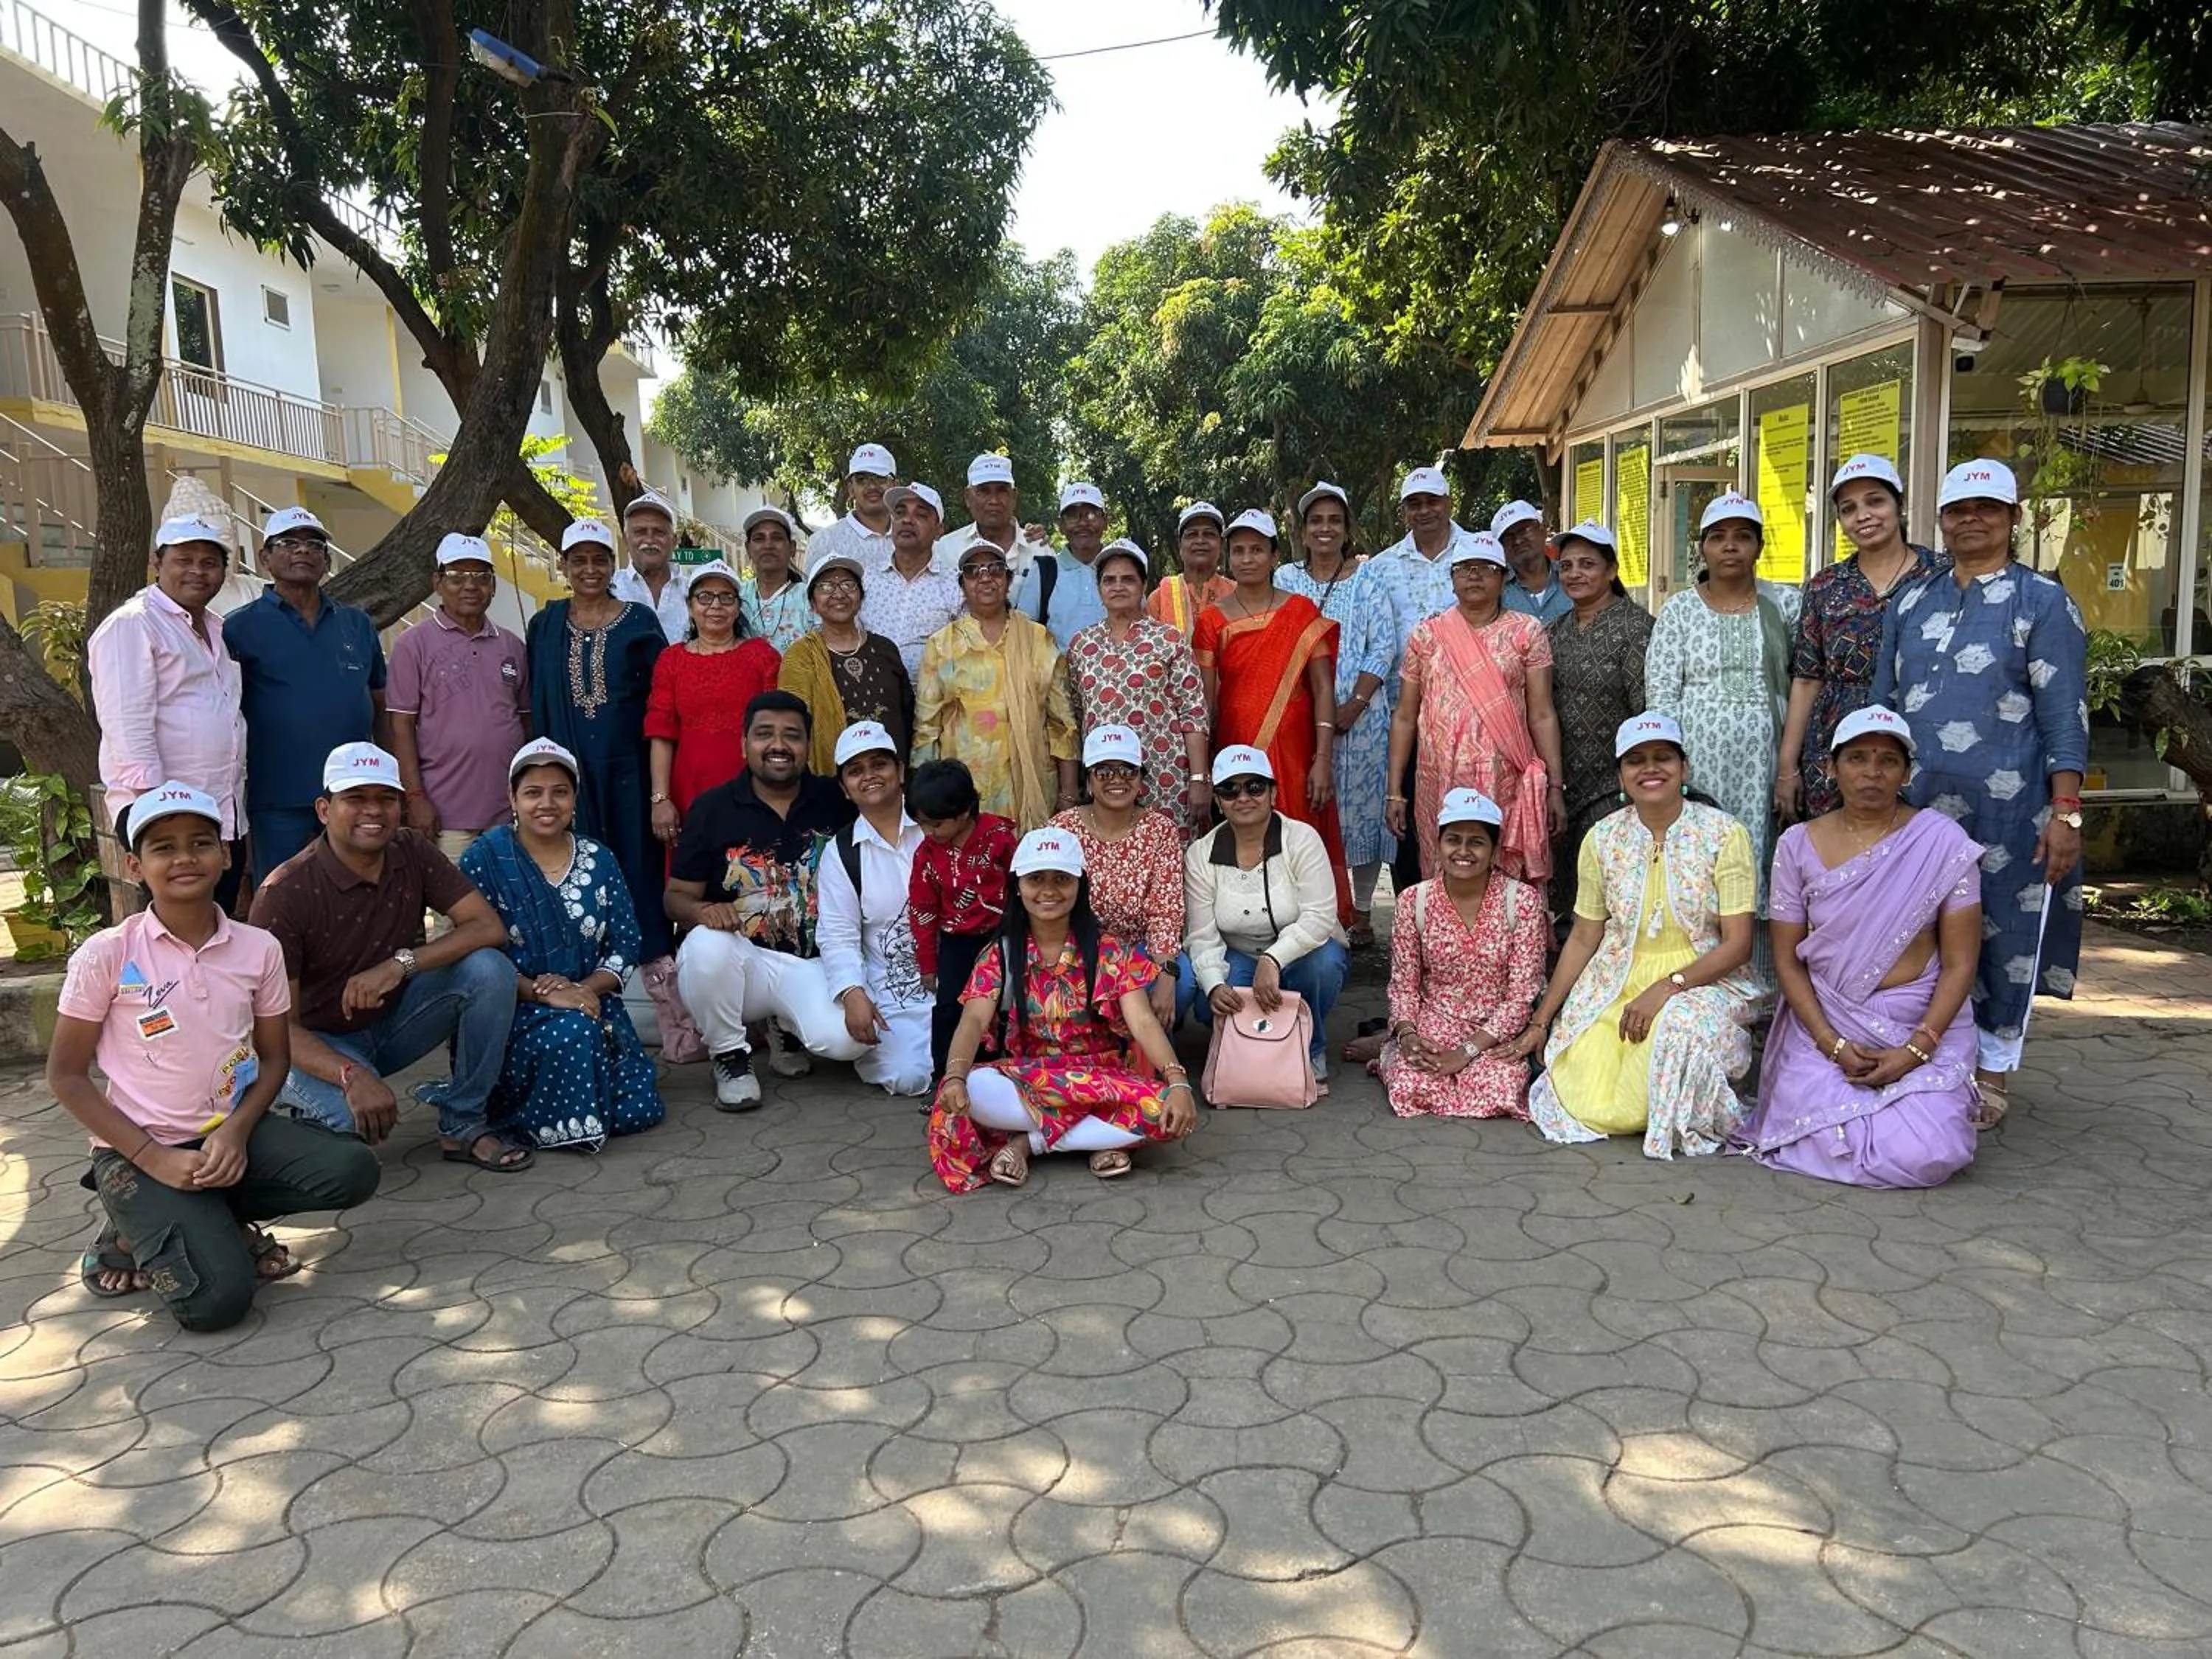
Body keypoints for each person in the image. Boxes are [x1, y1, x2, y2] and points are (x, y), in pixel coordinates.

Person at [51, 782, 380, 1322]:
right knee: (217, 1303)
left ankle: (194, 1220)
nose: (185, 857)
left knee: (352, 1170)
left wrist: (236, 1130)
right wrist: (153, 1156)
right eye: (163, 847)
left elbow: (275, 1058)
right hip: (139, 1149)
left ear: (226, 855)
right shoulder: (107, 955)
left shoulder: (257, 949)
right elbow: (65, 1077)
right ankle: (127, 1232)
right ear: (135, 865)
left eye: (201, 843)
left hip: (231, 1133)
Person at [1871, 458, 2089, 1128]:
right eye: (1959, 510)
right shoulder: (1912, 600)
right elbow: (1882, 704)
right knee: (1912, 934)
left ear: (2012, 518)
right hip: (1916, 810)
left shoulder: (2043, 602)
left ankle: (1992, 1071)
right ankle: (1926, 1053)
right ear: (1940, 520)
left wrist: (2067, 813)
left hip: (2010, 809)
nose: (1972, 520)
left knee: (2003, 936)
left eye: (1987, 509)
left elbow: (2064, 716)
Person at [1736, 709, 1982, 1187]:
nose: (1872, 772)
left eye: (1888, 761)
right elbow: (1787, 959)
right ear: (1831, 767)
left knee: (1933, 1154)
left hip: (1918, 1023)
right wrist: (1832, 1043)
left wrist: (1915, 1050)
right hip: (1823, 1026)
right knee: (1815, 1132)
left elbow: (1960, 963)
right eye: (1857, 758)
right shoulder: (1796, 845)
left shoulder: (1941, 843)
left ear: (1907, 773)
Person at [254, 743, 529, 1172]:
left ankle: (463, 1124)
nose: (373, 811)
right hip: (316, 1044)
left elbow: (486, 927)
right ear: (324, 810)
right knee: (348, 1131)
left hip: (390, 1023)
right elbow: (275, 1030)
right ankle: (280, 1122)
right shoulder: (283, 893)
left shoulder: (410, 850)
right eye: (356, 799)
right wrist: (350, 1075)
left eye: (385, 799)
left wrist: (400, 965)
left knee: (491, 970)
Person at [1517, 714, 1761, 1159]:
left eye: (1663, 757)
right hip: (1615, 977)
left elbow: (1738, 944)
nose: (1651, 769)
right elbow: (1585, 936)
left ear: (1684, 768)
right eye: (1636, 761)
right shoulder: (1603, 838)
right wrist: (1542, 1020)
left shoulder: (1725, 834)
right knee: (1583, 1085)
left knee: (1673, 1037)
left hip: (1702, 980)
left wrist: (1667, 988)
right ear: (1621, 775)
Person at [928, 827, 1199, 1191]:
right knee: (973, 1090)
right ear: (1018, 886)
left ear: (1079, 885)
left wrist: (1178, 1081)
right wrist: (956, 1076)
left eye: (1062, 879)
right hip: (1031, 1077)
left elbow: (1144, 1023)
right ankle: (1099, 1140)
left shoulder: (1108, 950)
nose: (1049, 891)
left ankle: (1030, 1144)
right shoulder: (1001, 953)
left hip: (1101, 1078)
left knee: (1164, 1109)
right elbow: (974, 1019)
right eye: (1036, 879)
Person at [527, 518, 692, 1051]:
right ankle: (584, 1008)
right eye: (580, 561)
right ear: (564, 566)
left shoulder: (639, 622)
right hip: (570, 776)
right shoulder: (547, 624)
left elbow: (664, 703)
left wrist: (659, 791)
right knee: (575, 878)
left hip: (632, 771)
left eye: (600, 560)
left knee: (640, 875)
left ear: (611, 563)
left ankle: (670, 1017)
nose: (590, 570)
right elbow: (538, 704)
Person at [457, 740, 666, 1153]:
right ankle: (530, 1117)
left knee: (638, 1111)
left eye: (560, 792)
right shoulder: (485, 860)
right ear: (512, 798)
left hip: (593, 1002)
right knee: (573, 1032)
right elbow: (471, 954)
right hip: (512, 1010)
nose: (546, 804)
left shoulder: (599, 859)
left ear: (574, 798)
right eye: (533, 793)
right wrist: (545, 993)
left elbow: (626, 941)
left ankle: (572, 1113)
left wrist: (584, 988)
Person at [667, 692, 860, 1109]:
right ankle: (730, 1056)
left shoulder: (837, 801)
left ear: (808, 746)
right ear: (744, 744)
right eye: (764, 735)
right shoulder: (712, 808)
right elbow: (675, 897)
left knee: (850, 1043)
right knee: (704, 946)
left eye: (792, 735)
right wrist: (701, 911)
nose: (778, 746)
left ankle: (785, 1027)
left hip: (817, 963)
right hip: (746, 965)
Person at [1644, 491, 1802, 947]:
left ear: (1759, 546)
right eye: (1718, 538)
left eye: (1742, 537)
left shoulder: (1784, 606)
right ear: (1703, 548)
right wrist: (1668, 768)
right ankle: (1698, 964)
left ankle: (1761, 979)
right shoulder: (1680, 610)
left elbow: (1802, 683)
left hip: (1766, 764)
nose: (1730, 546)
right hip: (1699, 765)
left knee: (1758, 858)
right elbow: (1661, 696)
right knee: (1700, 855)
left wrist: (1790, 767)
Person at [86, 512, 248, 911]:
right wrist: (158, 815)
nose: (198, 571)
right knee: (174, 933)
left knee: (216, 924)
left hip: (220, 810)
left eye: (209, 563)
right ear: (158, 563)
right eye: (184, 560)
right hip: (166, 813)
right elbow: (128, 727)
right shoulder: (133, 625)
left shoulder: (217, 629)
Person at [1193, 509, 1349, 917]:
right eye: (1239, 551)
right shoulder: (1211, 620)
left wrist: (1323, 758)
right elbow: (1205, 701)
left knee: (1299, 838)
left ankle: (1313, 925)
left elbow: (1322, 688)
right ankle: (1248, 925)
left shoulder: (1301, 613)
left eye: (1257, 550)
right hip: (1236, 746)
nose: (1247, 559)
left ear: (1274, 555)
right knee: (1245, 836)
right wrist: (1204, 766)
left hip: (1296, 754)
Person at [1776, 454, 1948, 821]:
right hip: (1837, 742)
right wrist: (1787, 766)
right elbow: (1807, 679)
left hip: (1923, 735)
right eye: (1848, 509)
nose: (1863, 516)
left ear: (1900, 505)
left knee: (1918, 850)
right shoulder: (1825, 586)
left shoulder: (1940, 576)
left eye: (1875, 501)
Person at [1385, 533, 1563, 884]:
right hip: (1439, 778)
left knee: (1503, 870)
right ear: (1451, 580)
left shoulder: (1526, 632)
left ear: (1503, 577)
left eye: (1486, 568)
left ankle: (1508, 937)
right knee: (1445, 866)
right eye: (1465, 569)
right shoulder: (1427, 634)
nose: (1474, 576)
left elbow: (1542, 713)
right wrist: (1395, 791)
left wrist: (1554, 787)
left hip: (1505, 779)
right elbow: (1405, 716)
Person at [222, 507, 387, 877]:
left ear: (327, 561)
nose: (303, 551)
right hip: (280, 799)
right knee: (284, 900)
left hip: (353, 794)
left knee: (358, 895)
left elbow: (380, 704)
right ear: (265, 558)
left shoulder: (356, 625)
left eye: (314, 545)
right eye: (288, 543)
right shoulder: (238, 629)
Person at [1178, 747, 1352, 1090]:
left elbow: (1319, 917)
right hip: (1238, 954)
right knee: (1206, 1000)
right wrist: (1214, 984)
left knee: (1324, 963)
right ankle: (1249, 1056)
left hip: (1303, 952)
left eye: (1255, 787)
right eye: (1230, 790)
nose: (1243, 797)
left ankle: (1309, 1046)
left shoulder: (1301, 839)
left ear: (1273, 793)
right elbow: (1201, 935)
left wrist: (1274, 959)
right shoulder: (1201, 854)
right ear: (1218, 800)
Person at [1377, 789, 1549, 1120]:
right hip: (1433, 1022)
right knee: (1411, 1088)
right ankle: (1391, 1045)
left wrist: (1466, 1052)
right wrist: (1409, 1035)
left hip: (1494, 1028)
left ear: (1494, 850)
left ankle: (1388, 1046)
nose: (1463, 851)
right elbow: (1404, 985)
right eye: (1453, 840)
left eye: (1477, 842)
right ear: (1438, 844)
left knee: (1498, 1092)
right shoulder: (1414, 901)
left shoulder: (1522, 901)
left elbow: (1520, 998)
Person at [1276, 481, 1397, 945]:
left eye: (1334, 521)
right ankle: (1313, 907)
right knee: (1309, 810)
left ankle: (1362, 912)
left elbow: (1383, 646)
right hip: (1299, 718)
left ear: (1346, 530)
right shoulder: (1287, 581)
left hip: (1363, 721)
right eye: (1316, 521)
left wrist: (1355, 704)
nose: (1325, 529)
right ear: (1303, 532)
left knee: (1361, 815)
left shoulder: (1368, 580)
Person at [1365, 465, 1483, 900]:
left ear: (1449, 503)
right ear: (1404, 512)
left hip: (1474, 724)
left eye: (1433, 500)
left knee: (1470, 828)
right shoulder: (1382, 567)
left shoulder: (1477, 553)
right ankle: (1416, 925)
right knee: (1410, 830)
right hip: (1408, 720)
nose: (1425, 510)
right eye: (1415, 503)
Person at [912, 540, 1080, 831]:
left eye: (995, 569)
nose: (985, 577)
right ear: (962, 584)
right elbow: (926, 730)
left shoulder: (1038, 639)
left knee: (1030, 873)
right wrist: (926, 802)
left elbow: (1062, 724)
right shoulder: (943, 645)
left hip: (1033, 789)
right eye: (973, 571)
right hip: (964, 797)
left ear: (1009, 580)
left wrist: (1067, 795)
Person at [387, 533, 530, 860]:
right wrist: (416, 797)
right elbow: (401, 729)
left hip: (506, 812)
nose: (470, 586)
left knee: (506, 906)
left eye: (481, 577)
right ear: (438, 582)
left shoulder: (512, 646)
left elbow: (525, 722)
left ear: (493, 586)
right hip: (444, 815)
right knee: (451, 909)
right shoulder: (413, 644)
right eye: (457, 576)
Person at [813, 721, 933, 1099]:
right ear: (844, 788)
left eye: (878, 764)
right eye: (855, 770)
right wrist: (852, 993)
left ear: (899, 771)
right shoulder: (841, 853)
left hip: (958, 985)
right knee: (908, 1077)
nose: (869, 776)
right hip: (892, 994)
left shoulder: (937, 826)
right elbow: (838, 935)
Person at [1063, 538, 1212, 835]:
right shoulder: (1082, 646)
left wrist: (1199, 778)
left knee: (1168, 858)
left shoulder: (1169, 640)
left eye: (1128, 579)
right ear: (1099, 587)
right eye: (1110, 580)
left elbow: (1193, 713)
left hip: (1163, 776)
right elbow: (1077, 717)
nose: (1118, 587)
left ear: (1144, 585)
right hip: (1105, 780)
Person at [1050, 726, 1185, 1025]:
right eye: (1104, 772)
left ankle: (1156, 1066)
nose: (1117, 780)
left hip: (1142, 948)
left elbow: (1165, 910)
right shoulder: (1062, 829)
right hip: (1079, 947)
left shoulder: (1160, 830)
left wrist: (1166, 973)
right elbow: (1050, 903)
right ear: (1088, 780)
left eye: (1128, 771)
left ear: (1140, 781)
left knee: (1182, 985)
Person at [1546, 520, 1654, 885]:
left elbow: (1645, 709)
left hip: (1614, 783)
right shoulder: (1555, 631)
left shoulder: (1636, 627)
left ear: (1611, 571)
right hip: (1564, 781)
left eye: (1587, 564)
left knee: (1612, 880)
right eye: (1567, 566)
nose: (1575, 573)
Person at [646, 558, 784, 839]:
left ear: (737, 607)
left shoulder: (761, 656)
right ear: (690, 606)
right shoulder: (671, 660)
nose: (716, 606)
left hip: (752, 786)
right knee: (695, 875)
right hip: (689, 789)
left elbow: (776, 729)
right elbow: (662, 732)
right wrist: (661, 799)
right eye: (705, 597)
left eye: (726, 597)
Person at [908, 759, 1021, 1081]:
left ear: (964, 812)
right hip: (956, 942)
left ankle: (1003, 1076)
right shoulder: (927, 854)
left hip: (1002, 938)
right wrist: (928, 963)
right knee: (950, 1009)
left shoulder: (1001, 838)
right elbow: (923, 909)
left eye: (935, 824)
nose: (929, 832)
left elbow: (1022, 887)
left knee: (1005, 1006)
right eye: (922, 825)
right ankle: (947, 1079)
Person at [777, 554, 915, 775]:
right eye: (826, 586)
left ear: (861, 598)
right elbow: (790, 726)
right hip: (831, 782)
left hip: (892, 776)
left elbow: (908, 712)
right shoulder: (801, 656)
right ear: (812, 604)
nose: (839, 594)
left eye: (848, 585)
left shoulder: (885, 648)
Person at [860, 482, 967, 681]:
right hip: (868, 697)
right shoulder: (867, 579)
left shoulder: (956, 587)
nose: (907, 520)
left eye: (921, 515)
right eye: (900, 513)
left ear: (939, 530)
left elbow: (966, 658)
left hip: (931, 705)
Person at [1013, 482, 1110, 649]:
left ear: (1106, 522)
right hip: (1059, 674)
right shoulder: (1045, 571)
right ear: (1061, 526)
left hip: (1116, 673)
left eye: (1092, 514)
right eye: (1073, 516)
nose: (1083, 523)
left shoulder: (1122, 570)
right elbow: (1023, 635)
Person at [937, 453, 1043, 580]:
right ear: (967, 497)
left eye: (1002, 491)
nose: (994, 500)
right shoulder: (948, 549)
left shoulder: (1038, 548)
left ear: (1014, 496)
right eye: (983, 491)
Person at [611, 489, 690, 644]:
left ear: (674, 541)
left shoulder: (694, 591)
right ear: (626, 541)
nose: (649, 540)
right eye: (640, 532)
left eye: (659, 532)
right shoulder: (611, 590)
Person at [1146, 501, 1235, 636]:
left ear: (1221, 546)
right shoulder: (1159, 599)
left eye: (1209, 534)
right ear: (1180, 546)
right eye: (1192, 534)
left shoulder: (1237, 594)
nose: (1200, 541)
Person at [806, 442, 897, 568]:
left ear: (894, 485)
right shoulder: (823, 542)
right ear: (851, 488)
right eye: (861, 480)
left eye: (880, 478)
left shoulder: (913, 538)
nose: (871, 486)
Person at [738, 506, 813, 653]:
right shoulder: (736, 597)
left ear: (792, 548)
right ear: (748, 548)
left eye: (777, 538)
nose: (768, 545)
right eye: (759, 539)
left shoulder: (810, 599)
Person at [1492, 500, 1572, 624]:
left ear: (1543, 530)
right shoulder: (1495, 589)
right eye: (1508, 537)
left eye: (1524, 530)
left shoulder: (1572, 577)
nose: (1518, 541)